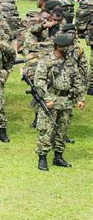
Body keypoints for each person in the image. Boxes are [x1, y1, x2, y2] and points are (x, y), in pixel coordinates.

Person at [34, 34, 85, 171]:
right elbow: (39, 82)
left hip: (66, 101)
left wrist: (80, 98)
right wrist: (47, 99)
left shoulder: (70, 61)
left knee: (62, 130)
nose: (70, 49)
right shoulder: (46, 62)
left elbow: (77, 80)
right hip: (51, 100)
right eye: (67, 46)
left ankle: (58, 157)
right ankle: (42, 157)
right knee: (47, 130)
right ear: (59, 47)